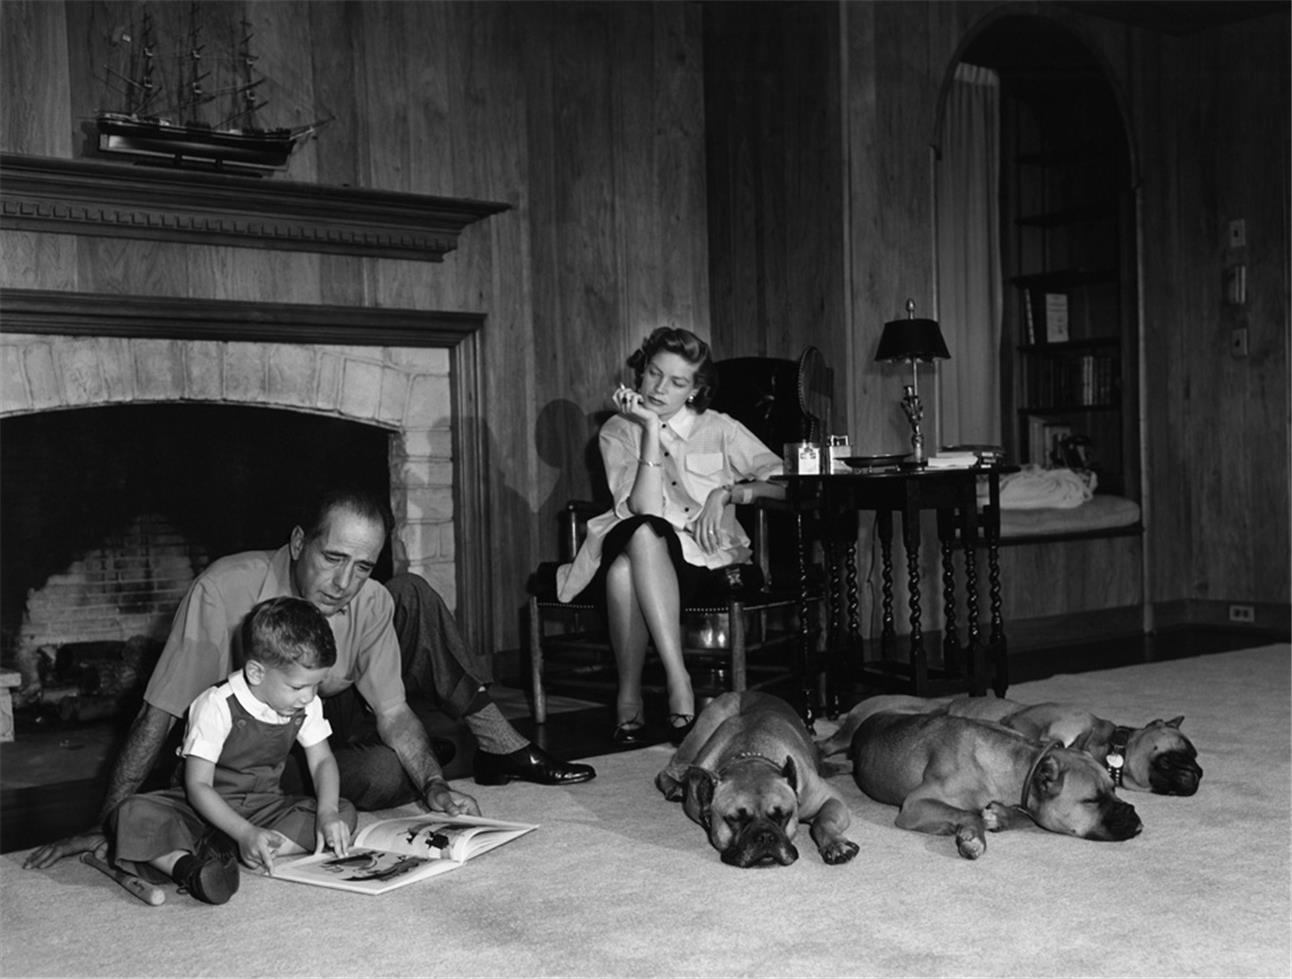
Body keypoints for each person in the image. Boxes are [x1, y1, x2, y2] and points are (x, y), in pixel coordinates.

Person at [25, 487, 594, 870]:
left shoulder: (369, 601)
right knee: (378, 770)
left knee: (410, 631)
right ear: (299, 543)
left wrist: (435, 786)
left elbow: (393, 713)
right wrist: (111, 821)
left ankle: (486, 746)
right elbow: (161, 713)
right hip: (240, 754)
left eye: (364, 566)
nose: (345, 582)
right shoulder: (224, 590)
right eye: (332, 558)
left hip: (321, 723)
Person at [555, 327, 785, 744]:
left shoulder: (719, 428)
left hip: (703, 557)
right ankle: (679, 680)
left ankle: (630, 696)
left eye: (677, 382)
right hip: (643, 538)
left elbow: (785, 479)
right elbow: (644, 509)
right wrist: (647, 429)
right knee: (643, 533)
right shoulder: (617, 430)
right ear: (641, 373)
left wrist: (728, 491)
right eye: (654, 374)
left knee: (623, 572)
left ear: (695, 390)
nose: (660, 388)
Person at [108, 596, 357, 905]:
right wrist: (242, 831)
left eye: (315, 686)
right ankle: (189, 867)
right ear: (256, 673)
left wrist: (328, 812)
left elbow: (322, 761)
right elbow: (198, 786)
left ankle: (252, 845)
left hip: (263, 806)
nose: (308, 697)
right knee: (130, 814)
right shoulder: (216, 704)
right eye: (297, 687)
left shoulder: (306, 705)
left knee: (343, 812)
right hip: (200, 808)